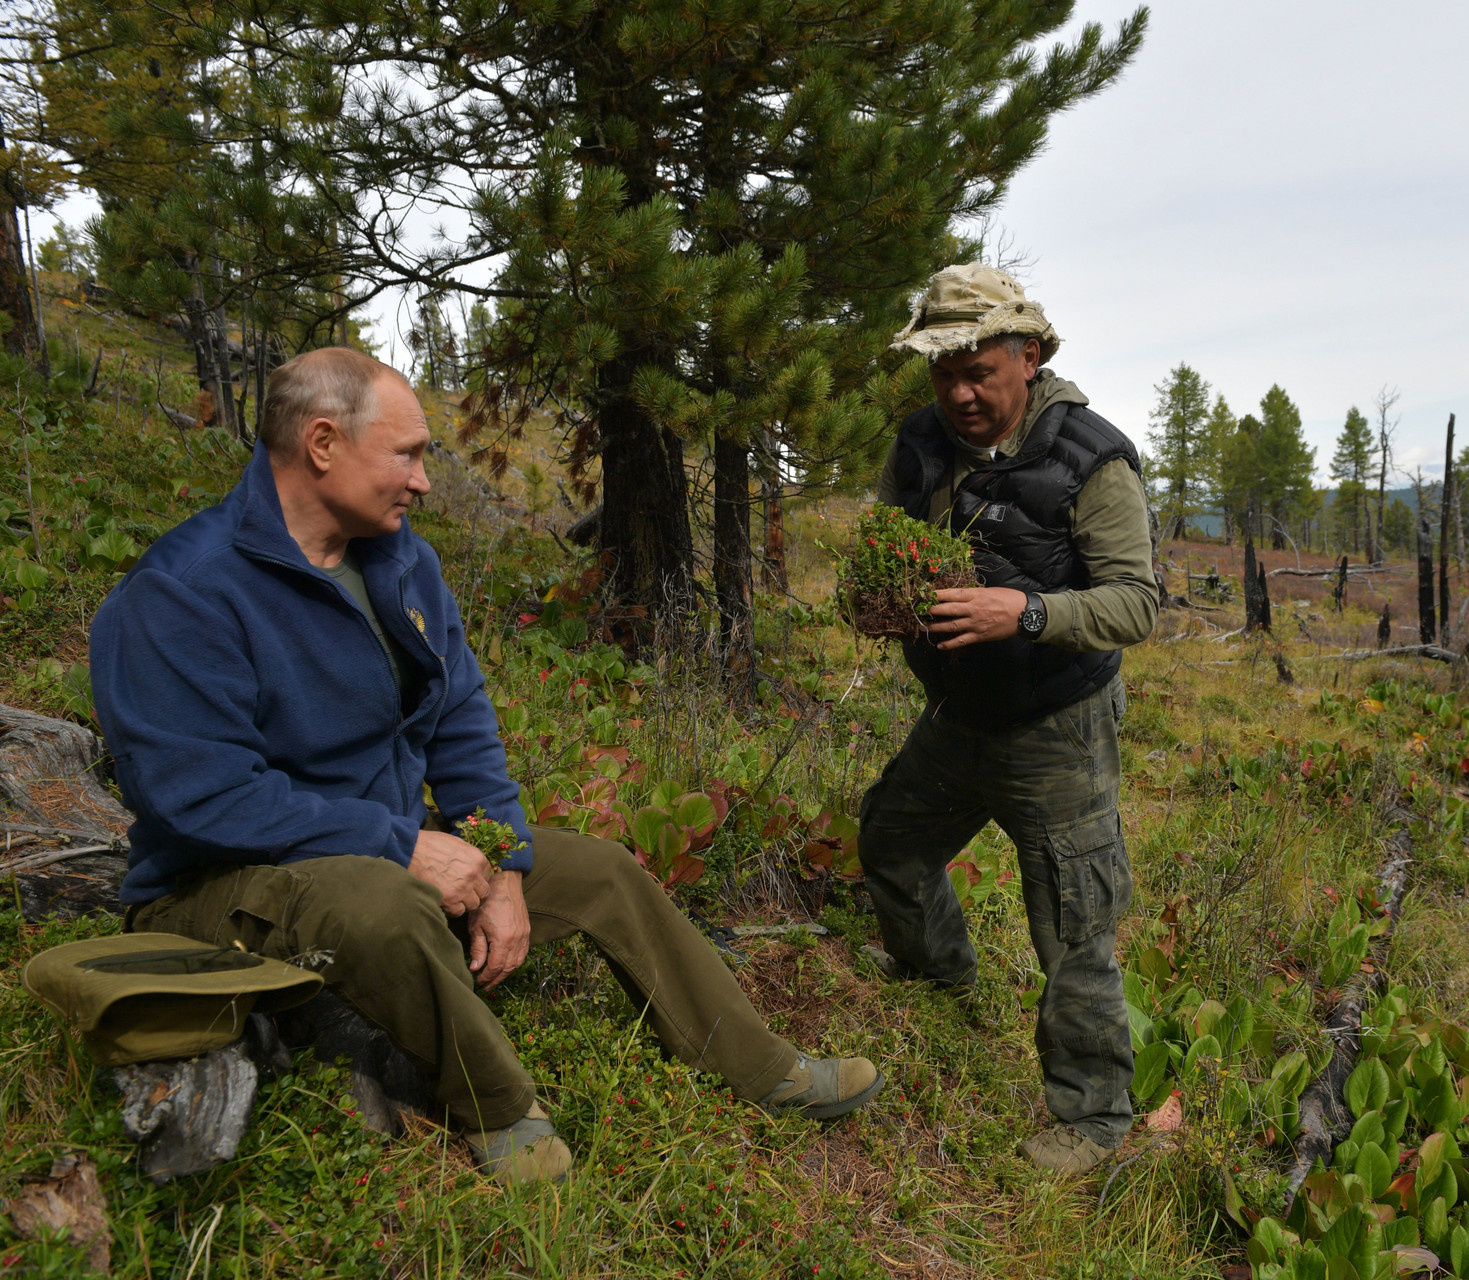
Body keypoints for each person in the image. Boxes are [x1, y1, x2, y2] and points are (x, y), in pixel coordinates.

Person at [90, 347, 881, 1185]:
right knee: (384, 902)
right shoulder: (183, 592)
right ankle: (499, 1110)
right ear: (322, 443)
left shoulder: (400, 563)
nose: (424, 481)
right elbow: (198, 797)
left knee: (601, 870)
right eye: (408, 454)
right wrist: (402, 845)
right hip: (218, 886)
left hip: (374, 851)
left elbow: (460, 725)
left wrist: (499, 863)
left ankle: (762, 1067)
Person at [860, 264, 1158, 1175]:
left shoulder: (1092, 460)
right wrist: (878, 599)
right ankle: (937, 976)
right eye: (941, 373)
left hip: (1057, 727)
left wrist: (1021, 612)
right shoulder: (920, 443)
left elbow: (1137, 605)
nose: (958, 394)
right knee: (892, 839)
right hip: (957, 714)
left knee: (1072, 923)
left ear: (1028, 356)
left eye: (977, 371)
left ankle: (1096, 1122)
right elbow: (884, 541)